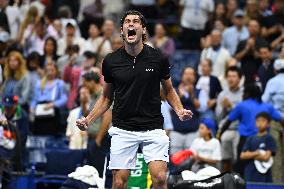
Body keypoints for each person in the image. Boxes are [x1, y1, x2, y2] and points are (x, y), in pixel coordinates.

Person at [76, 10, 193, 189]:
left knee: (160, 178)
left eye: (136, 21)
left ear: (143, 30)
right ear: (122, 31)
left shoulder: (158, 58)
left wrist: (179, 110)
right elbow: (106, 97)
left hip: (152, 126)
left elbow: (169, 90)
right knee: (118, 182)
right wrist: (88, 119)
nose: (131, 24)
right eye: (127, 22)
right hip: (123, 128)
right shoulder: (110, 61)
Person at [215, 66, 243, 172]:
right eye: (229, 76)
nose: (231, 79)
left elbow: (244, 114)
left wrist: (231, 106)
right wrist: (223, 107)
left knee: (237, 159)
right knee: (225, 159)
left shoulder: (244, 93)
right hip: (226, 129)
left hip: (240, 129)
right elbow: (218, 117)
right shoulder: (223, 94)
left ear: (239, 78)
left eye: (234, 76)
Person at [262, 59, 284, 182]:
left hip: (276, 121)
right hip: (279, 120)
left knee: (276, 155)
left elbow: (265, 102)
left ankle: (278, 183)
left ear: (275, 70)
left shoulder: (272, 81)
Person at [240, 112, 276, 182]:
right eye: (258, 120)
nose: (260, 123)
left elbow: (266, 157)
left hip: (263, 175)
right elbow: (242, 155)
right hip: (249, 173)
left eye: (263, 121)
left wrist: (250, 155)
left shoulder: (269, 139)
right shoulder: (250, 138)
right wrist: (257, 153)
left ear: (268, 124)